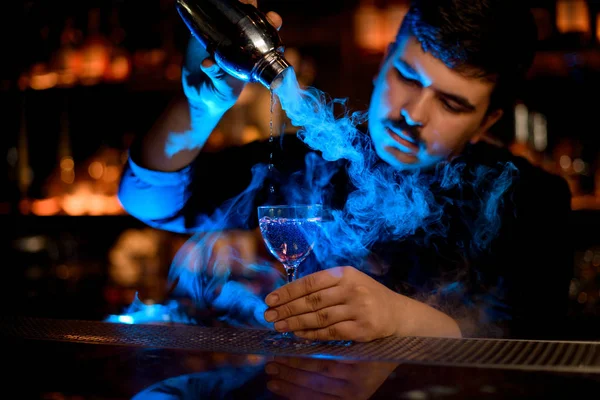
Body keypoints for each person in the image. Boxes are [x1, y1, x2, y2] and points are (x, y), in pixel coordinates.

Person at [118, 0, 573, 341]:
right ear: (383, 63)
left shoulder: (531, 202)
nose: (413, 113)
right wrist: (199, 108)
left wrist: (405, 320)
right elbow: (150, 202)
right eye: (407, 77)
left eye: (452, 103)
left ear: (488, 121)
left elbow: (535, 352)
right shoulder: (318, 157)